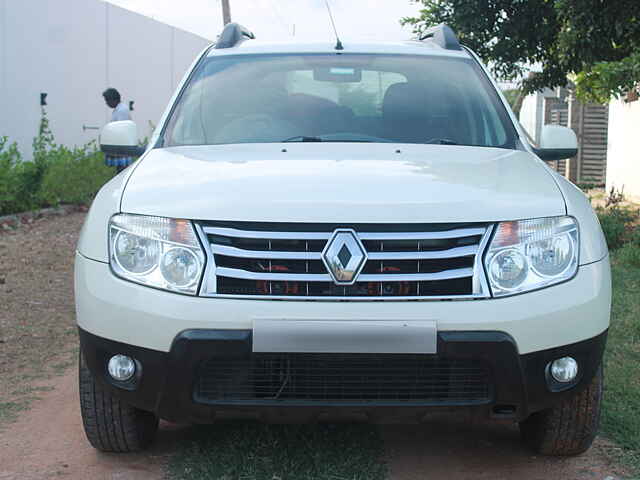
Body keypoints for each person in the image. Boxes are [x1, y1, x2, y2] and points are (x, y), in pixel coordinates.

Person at [102, 88, 134, 173]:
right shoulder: (118, 109)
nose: (106, 103)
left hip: (122, 147)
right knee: (120, 170)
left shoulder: (121, 110)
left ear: (113, 99)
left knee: (123, 171)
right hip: (120, 146)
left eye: (107, 101)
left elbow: (121, 129)